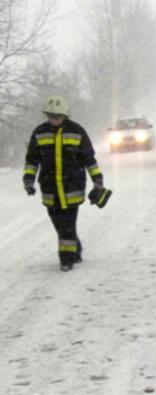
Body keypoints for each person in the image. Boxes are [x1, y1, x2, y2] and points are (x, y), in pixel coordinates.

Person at [23, 95, 106, 271]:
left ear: (65, 115)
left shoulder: (77, 131)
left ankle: (66, 260)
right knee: (59, 224)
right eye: (51, 116)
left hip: (72, 188)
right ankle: (75, 248)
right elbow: (32, 160)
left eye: (57, 116)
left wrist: (97, 180)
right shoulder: (39, 132)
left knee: (67, 225)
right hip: (50, 189)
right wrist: (28, 180)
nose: (54, 119)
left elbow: (89, 159)